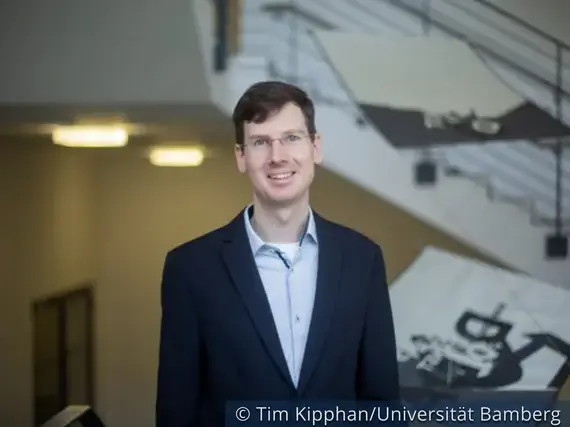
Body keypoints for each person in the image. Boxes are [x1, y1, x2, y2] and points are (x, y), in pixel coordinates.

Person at [155, 81, 400, 427]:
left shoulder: (363, 260)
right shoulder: (190, 269)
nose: (277, 156)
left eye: (291, 138)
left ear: (315, 147)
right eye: (260, 142)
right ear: (241, 157)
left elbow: (382, 405)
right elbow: (176, 411)